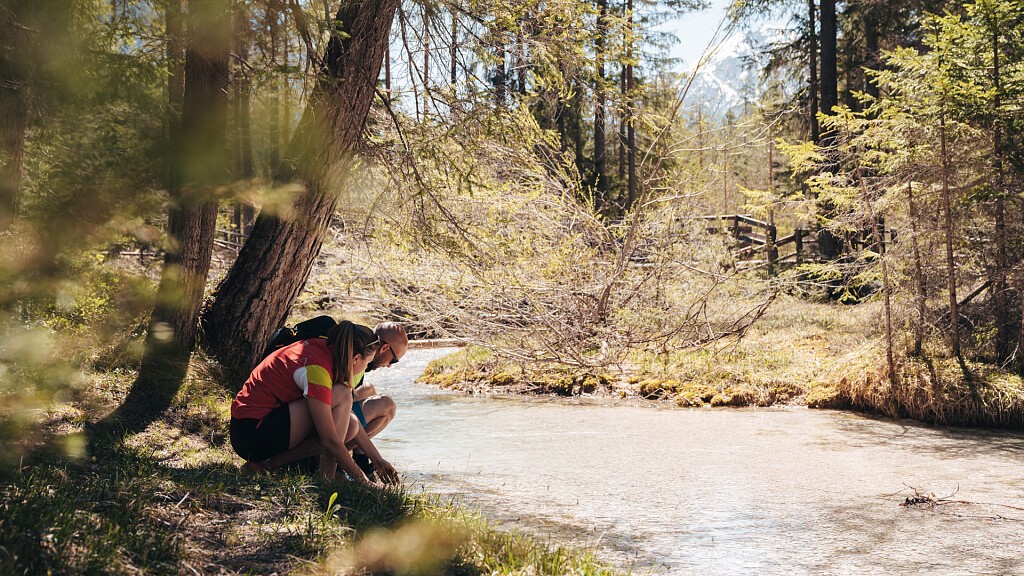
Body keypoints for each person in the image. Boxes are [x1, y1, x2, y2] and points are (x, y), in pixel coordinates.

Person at [229, 320, 398, 484]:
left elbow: (347, 416)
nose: (366, 367)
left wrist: (377, 459)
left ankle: (269, 465)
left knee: (352, 425)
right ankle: (327, 479)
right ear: (355, 358)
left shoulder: (330, 349)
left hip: (260, 425)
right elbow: (330, 440)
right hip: (251, 432)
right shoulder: (317, 369)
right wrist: (365, 483)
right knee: (342, 395)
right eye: (367, 363)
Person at [349, 322, 408, 473]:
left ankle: (360, 459)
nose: (389, 366)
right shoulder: (354, 358)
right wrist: (377, 458)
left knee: (369, 389)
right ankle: (335, 456)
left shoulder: (356, 347)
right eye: (394, 360)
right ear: (384, 348)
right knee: (387, 406)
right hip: (321, 425)